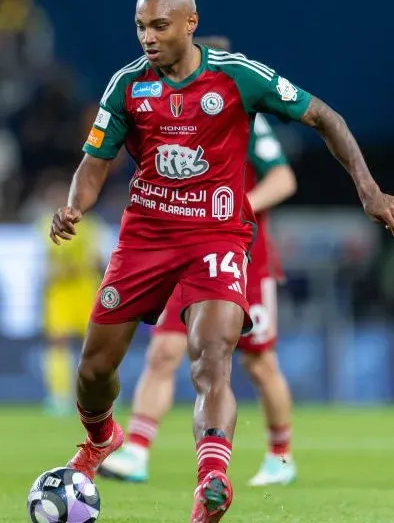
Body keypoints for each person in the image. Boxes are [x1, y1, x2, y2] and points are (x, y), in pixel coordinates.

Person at [49, 0, 394, 523]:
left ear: (189, 24)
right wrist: (75, 206)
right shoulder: (126, 85)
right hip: (145, 238)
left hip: (217, 237)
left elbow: (325, 117)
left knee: (211, 357)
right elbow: (95, 164)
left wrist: (368, 188)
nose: (147, 37)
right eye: (141, 26)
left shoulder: (240, 77)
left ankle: (212, 481)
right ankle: (101, 439)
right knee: (95, 370)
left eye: (159, 26)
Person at [97, 35, 300, 487]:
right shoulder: (162, 113)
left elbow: (284, 179)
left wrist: (236, 206)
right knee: (164, 350)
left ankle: (281, 456)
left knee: (258, 363)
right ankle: (137, 450)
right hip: (184, 251)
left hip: (243, 256)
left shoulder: (237, 111)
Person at [39, 178, 107, 415]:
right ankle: (59, 396)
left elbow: (99, 260)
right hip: (59, 292)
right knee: (57, 341)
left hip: (85, 289)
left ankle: (100, 394)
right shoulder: (43, 225)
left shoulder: (91, 226)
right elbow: (45, 263)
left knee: (95, 344)